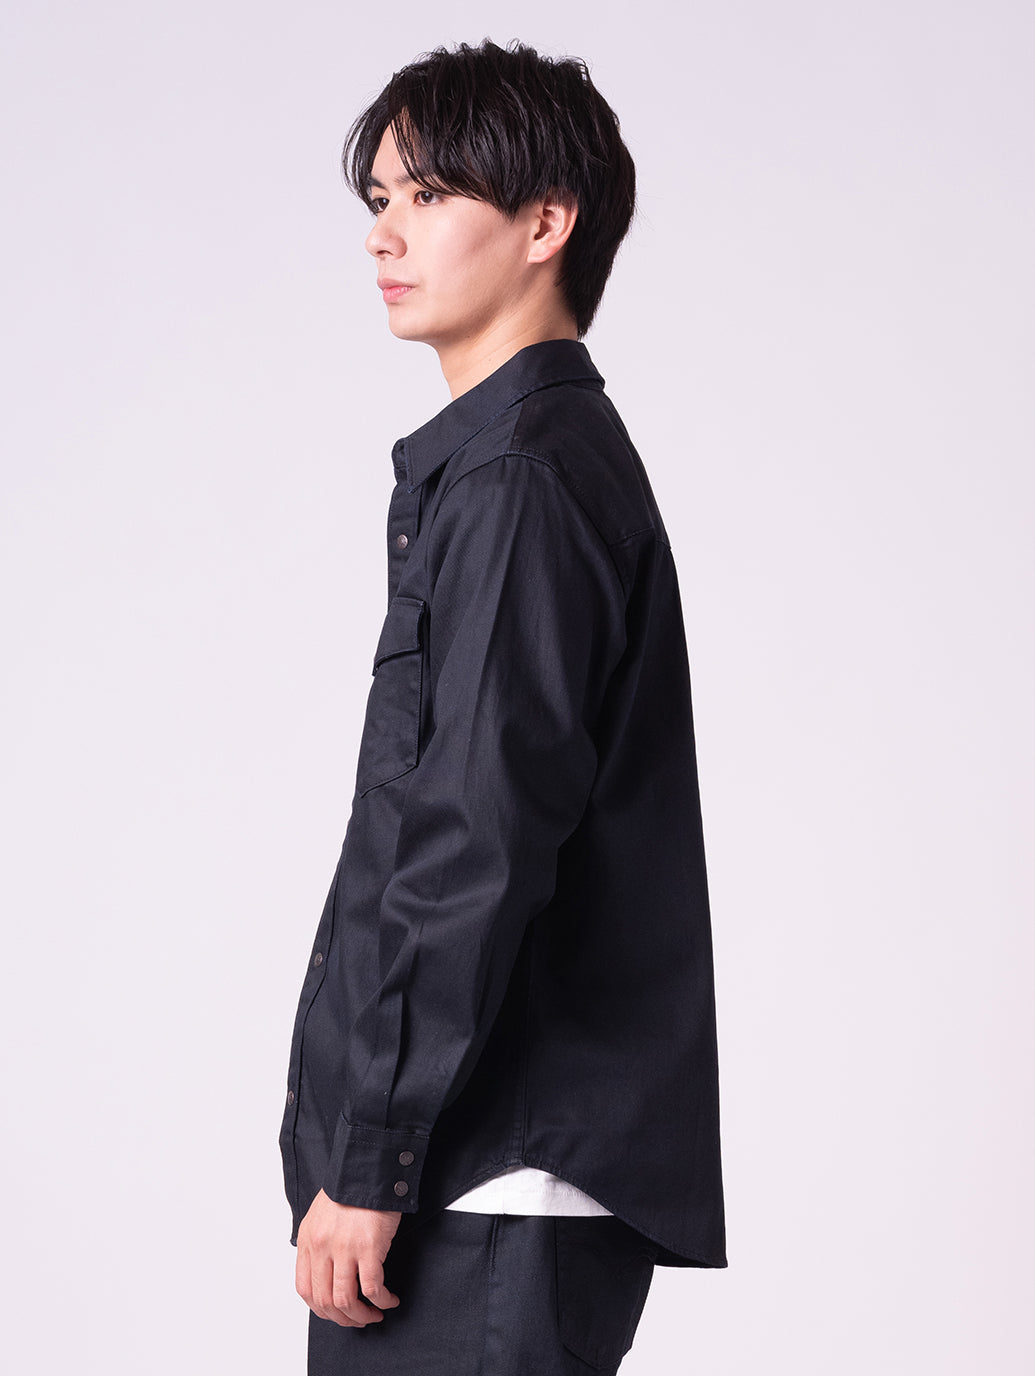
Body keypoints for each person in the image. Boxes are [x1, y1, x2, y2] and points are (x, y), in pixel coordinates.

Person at [279, 37, 728, 1375]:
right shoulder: (511, 468)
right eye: (379, 199)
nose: (384, 234)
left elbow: (475, 834)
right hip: (479, 1168)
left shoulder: (523, 480)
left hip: (484, 1173)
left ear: (546, 223)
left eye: (428, 195)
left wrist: (373, 1155)